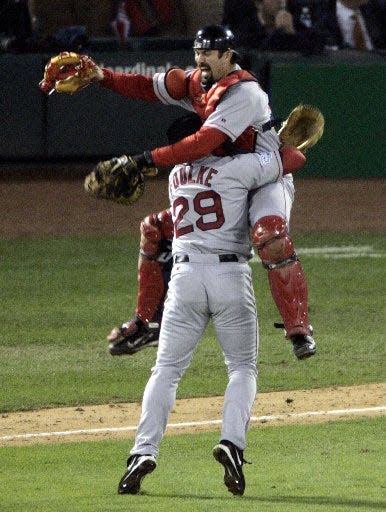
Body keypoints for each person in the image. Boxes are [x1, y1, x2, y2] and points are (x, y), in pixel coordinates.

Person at [80, 24, 316, 360]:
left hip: (264, 177)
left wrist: (146, 159)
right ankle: (148, 322)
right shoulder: (194, 83)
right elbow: (145, 86)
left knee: (270, 235)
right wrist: (101, 76)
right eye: (198, 51)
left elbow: (205, 142)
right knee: (156, 229)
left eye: (208, 52)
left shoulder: (244, 93)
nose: (200, 58)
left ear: (227, 55)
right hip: (224, 177)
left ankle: (299, 329)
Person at [116, 113, 270, 496]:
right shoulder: (238, 168)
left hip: (184, 280)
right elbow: (288, 161)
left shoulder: (175, 177)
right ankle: (231, 443)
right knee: (242, 367)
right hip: (230, 277)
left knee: (166, 370)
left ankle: (141, 452)